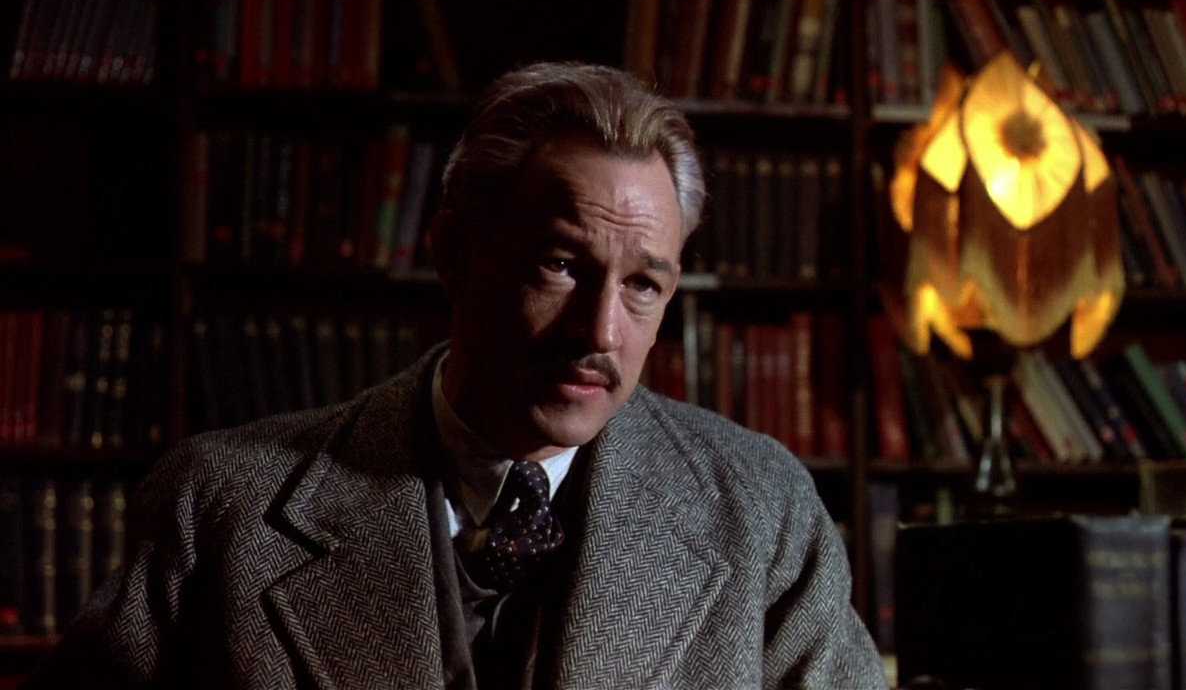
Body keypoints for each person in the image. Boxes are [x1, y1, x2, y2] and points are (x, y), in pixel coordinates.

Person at [23, 62, 887, 689]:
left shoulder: (761, 513)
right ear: (454, 256)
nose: (599, 332)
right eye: (559, 265)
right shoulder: (221, 511)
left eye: (642, 286)